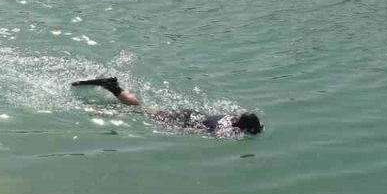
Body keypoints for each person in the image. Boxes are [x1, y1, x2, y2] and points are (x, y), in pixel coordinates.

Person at [71, 77, 263, 136]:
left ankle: (115, 89)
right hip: (188, 121)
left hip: (192, 114)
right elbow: (206, 134)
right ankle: (113, 88)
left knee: (147, 109)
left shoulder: (230, 117)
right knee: (141, 111)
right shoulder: (228, 130)